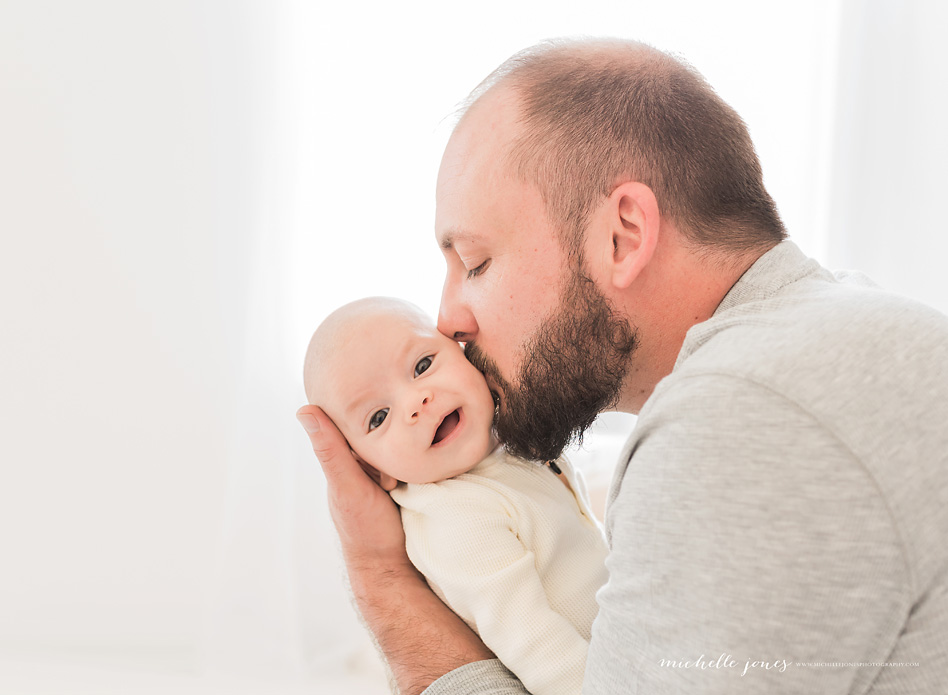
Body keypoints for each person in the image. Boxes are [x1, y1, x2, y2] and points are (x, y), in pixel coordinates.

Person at [297, 38, 948, 694]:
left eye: (476, 262)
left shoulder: (742, 417)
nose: (448, 320)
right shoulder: (842, 331)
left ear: (624, 235)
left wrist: (383, 580)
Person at [302, 297, 609, 695]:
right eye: (378, 417)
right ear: (374, 470)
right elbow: (536, 647)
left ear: (466, 355)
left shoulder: (513, 445)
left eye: (422, 366)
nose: (416, 402)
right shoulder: (454, 520)